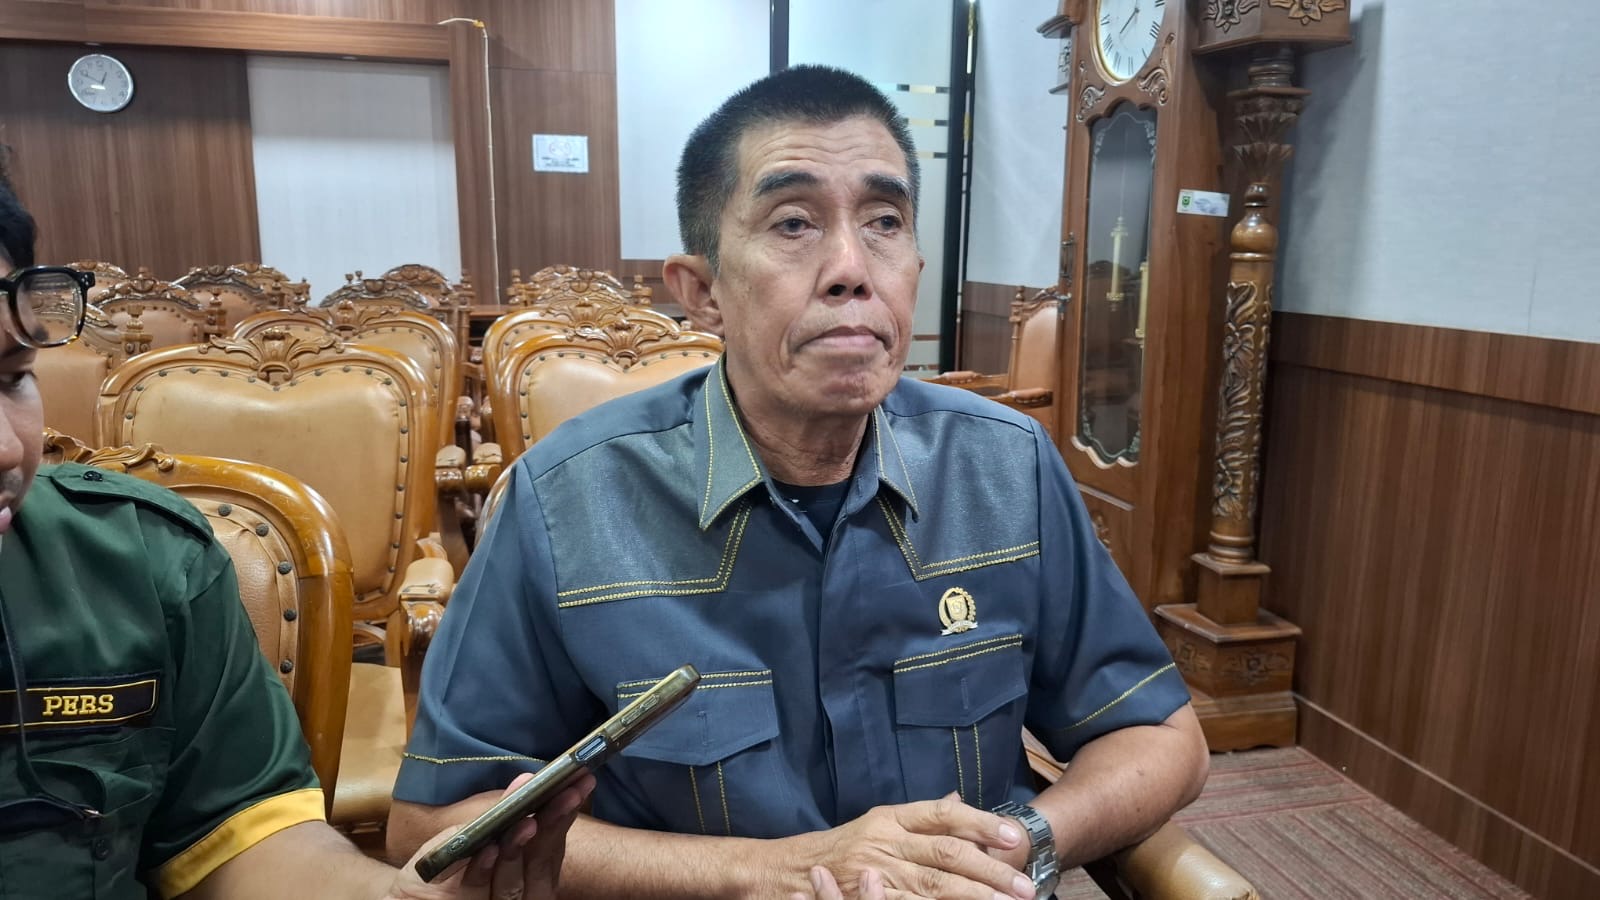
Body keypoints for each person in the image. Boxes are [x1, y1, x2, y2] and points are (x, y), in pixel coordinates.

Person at [390, 65, 1209, 899]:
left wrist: (1010, 846)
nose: (852, 267)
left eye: (884, 221)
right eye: (793, 223)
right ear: (703, 292)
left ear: (916, 266)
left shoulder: (1006, 465)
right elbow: (434, 826)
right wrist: (765, 873)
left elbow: (1163, 736)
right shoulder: (568, 501)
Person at [0, 162, 592, 898]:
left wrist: (389, 896)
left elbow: (240, 842)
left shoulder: (138, 564)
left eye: (12, 377)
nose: (9, 448)